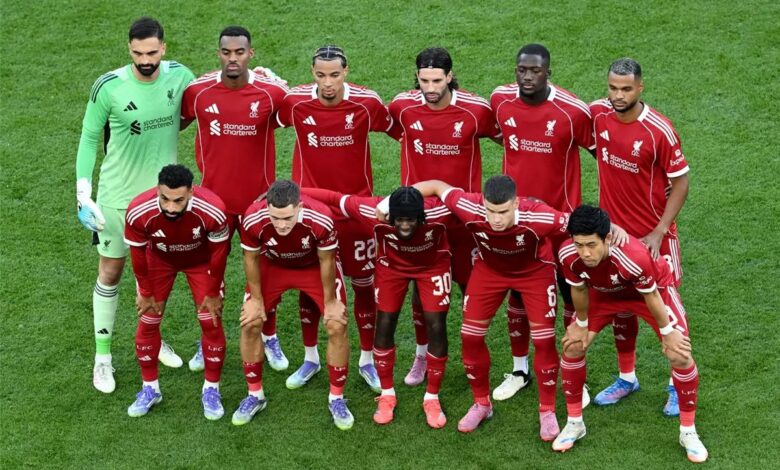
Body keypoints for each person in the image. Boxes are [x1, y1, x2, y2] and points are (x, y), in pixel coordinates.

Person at [75, 16, 195, 393]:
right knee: (111, 273)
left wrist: (254, 76)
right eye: (138, 53)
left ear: (164, 48)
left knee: (157, 275)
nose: (145, 60)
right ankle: (103, 358)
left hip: (162, 202)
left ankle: (152, 339)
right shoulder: (108, 86)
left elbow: (207, 101)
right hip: (117, 201)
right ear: (129, 49)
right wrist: (82, 193)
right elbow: (89, 138)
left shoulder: (180, 76)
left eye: (152, 53)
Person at [268, 45, 393, 392]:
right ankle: (311, 358)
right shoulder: (295, 103)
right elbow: (266, 117)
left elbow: (400, 129)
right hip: (309, 212)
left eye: (334, 75)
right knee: (311, 287)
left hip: (355, 214)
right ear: (312, 73)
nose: (327, 83)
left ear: (345, 72)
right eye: (321, 75)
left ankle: (367, 359)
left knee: (364, 285)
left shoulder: (366, 103)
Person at [412, 176, 568, 439]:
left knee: (543, 341)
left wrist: (614, 230)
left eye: (503, 212)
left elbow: (577, 223)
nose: (496, 219)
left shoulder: (539, 216)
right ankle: (481, 404)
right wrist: (389, 202)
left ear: (516, 203)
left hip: (535, 272)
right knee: (470, 337)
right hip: (490, 271)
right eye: (490, 211)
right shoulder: (469, 206)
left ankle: (547, 411)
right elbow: (437, 186)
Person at [554, 205, 707, 463]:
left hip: (651, 292)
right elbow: (578, 289)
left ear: (607, 238)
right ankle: (574, 423)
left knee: (679, 354)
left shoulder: (632, 256)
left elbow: (652, 295)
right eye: (579, 245)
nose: (585, 253)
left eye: (591, 245)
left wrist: (668, 332)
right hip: (605, 294)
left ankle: (688, 432)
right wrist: (580, 322)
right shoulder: (568, 254)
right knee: (573, 346)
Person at [388, 47, 500, 385]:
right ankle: (422, 355)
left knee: (471, 287)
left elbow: (508, 139)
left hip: (462, 220)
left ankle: (471, 354)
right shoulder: (403, 107)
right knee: (421, 290)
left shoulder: (476, 110)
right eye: (424, 80)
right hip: (419, 221)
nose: (431, 88)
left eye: (437, 80)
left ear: (450, 76)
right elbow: (391, 128)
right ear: (417, 77)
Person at [490, 43, 595, 402]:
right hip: (518, 222)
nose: (528, 76)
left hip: (562, 224)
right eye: (522, 70)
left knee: (571, 296)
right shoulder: (501, 101)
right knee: (518, 294)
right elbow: (499, 135)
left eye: (536, 70)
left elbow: (602, 153)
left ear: (549, 72)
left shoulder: (573, 112)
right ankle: (520, 370)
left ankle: (574, 374)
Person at [181, 26, 288, 372]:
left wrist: (281, 81)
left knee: (264, 273)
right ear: (218, 53)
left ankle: (269, 335)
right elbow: (173, 123)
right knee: (211, 274)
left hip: (258, 203)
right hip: (214, 204)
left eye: (239, 52)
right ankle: (208, 338)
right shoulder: (197, 92)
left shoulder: (271, 93)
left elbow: (300, 108)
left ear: (250, 54)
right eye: (226, 52)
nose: (232, 59)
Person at [304, 186, 456, 428]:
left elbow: (467, 199)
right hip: (391, 267)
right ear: (389, 215)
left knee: (436, 325)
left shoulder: (440, 212)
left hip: (433, 267)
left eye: (410, 220)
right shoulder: (371, 211)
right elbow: (335, 198)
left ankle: (432, 397)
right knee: (384, 322)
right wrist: (294, 192)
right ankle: (387, 394)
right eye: (398, 220)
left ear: (422, 217)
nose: (404, 226)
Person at [590, 58, 690, 414]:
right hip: (613, 238)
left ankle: (677, 383)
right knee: (620, 305)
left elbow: (681, 181)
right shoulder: (598, 115)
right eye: (613, 88)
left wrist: (659, 231)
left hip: (654, 238)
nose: (618, 95)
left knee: (669, 309)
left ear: (640, 88)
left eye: (626, 89)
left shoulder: (658, 130)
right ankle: (627, 377)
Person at [234, 180, 353, 430]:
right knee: (250, 322)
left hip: (312, 266)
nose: (281, 225)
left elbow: (327, 260)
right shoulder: (253, 217)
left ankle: (337, 398)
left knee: (336, 324)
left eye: (287, 217)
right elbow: (251, 258)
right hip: (273, 265)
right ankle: (255, 395)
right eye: (275, 218)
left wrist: (331, 303)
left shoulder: (321, 218)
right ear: (266, 207)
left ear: (299, 206)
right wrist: (256, 300)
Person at [123, 165, 229, 419]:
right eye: (165, 199)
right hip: (159, 261)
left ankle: (211, 389)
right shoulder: (139, 210)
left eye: (178, 200)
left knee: (210, 321)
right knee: (148, 320)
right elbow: (137, 253)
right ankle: (150, 388)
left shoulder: (213, 210)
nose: (170, 207)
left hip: (200, 263)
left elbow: (219, 254)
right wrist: (145, 291)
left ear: (191, 192)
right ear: (157, 191)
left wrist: (213, 292)